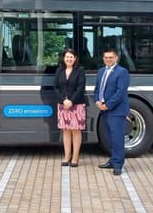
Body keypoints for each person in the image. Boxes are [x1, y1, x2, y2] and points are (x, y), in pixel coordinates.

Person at [94, 47, 130, 175]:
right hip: (104, 109)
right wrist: (97, 101)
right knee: (108, 138)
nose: (108, 59)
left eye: (111, 57)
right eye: (106, 57)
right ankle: (112, 160)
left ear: (116, 58)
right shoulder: (101, 71)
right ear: (103, 59)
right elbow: (98, 89)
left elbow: (120, 92)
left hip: (116, 111)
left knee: (117, 138)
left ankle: (118, 165)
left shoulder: (122, 72)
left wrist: (108, 105)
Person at [54, 48, 87, 167]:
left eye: (71, 57)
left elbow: (81, 87)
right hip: (63, 105)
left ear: (75, 58)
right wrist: (64, 100)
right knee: (66, 131)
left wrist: (71, 101)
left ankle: (75, 157)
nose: (69, 59)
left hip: (76, 104)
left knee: (76, 131)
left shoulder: (80, 70)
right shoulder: (59, 70)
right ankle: (67, 156)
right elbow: (56, 87)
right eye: (67, 56)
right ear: (64, 58)